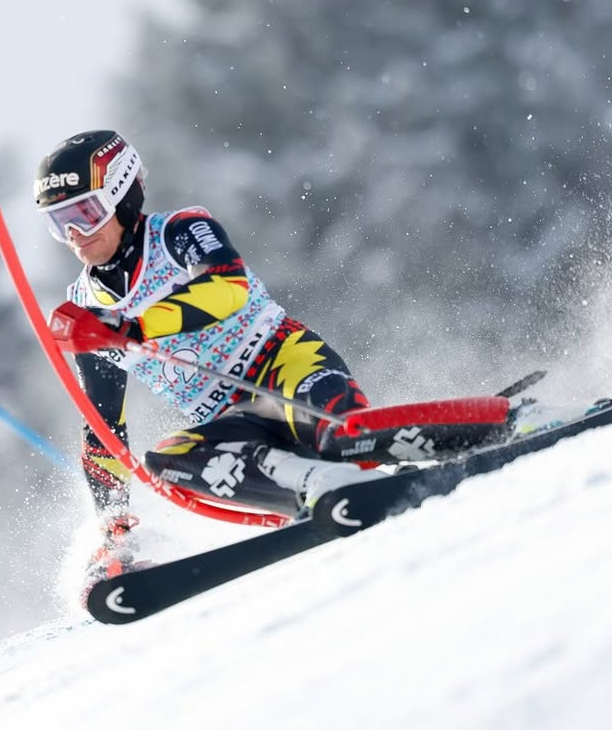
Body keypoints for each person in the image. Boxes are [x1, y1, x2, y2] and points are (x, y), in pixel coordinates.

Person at [36, 130, 504, 588]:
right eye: (60, 224)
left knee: (337, 435)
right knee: (166, 461)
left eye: (85, 213)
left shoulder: (179, 231)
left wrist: (135, 327)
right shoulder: (86, 310)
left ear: (122, 197)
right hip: (233, 420)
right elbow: (102, 431)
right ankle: (315, 487)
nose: (76, 235)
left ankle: (505, 420)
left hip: (283, 365)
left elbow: (227, 287)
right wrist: (114, 533)